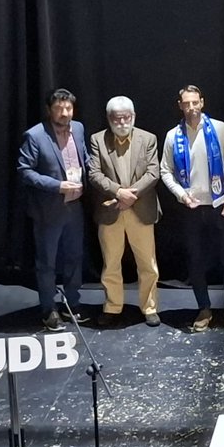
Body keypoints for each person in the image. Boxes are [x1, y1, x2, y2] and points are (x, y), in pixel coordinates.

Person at [159, 84, 224, 331]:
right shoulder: (171, 136)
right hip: (191, 209)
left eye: (194, 102)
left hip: (220, 205)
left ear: (202, 102)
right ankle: (204, 309)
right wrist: (180, 194)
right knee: (196, 261)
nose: (191, 108)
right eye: (186, 104)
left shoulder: (219, 129)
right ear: (180, 106)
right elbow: (165, 171)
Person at [86, 96, 162, 328]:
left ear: (134, 116)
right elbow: (94, 174)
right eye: (117, 118)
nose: (122, 122)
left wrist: (131, 195)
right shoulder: (97, 140)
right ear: (109, 119)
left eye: (126, 117)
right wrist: (119, 192)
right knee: (110, 263)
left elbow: (153, 172)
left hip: (141, 210)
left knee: (147, 264)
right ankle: (112, 306)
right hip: (111, 210)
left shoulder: (148, 139)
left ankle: (149, 307)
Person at [17, 88, 88, 331]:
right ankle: (49, 310)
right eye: (60, 108)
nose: (65, 113)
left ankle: (72, 304)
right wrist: (57, 186)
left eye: (68, 108)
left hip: (75, 207)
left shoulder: (78, 128)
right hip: (49, 210)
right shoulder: (35, 135)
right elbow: (24, 171)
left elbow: (84, 159)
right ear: (50, 110)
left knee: (75, 257)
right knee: (47, 263)